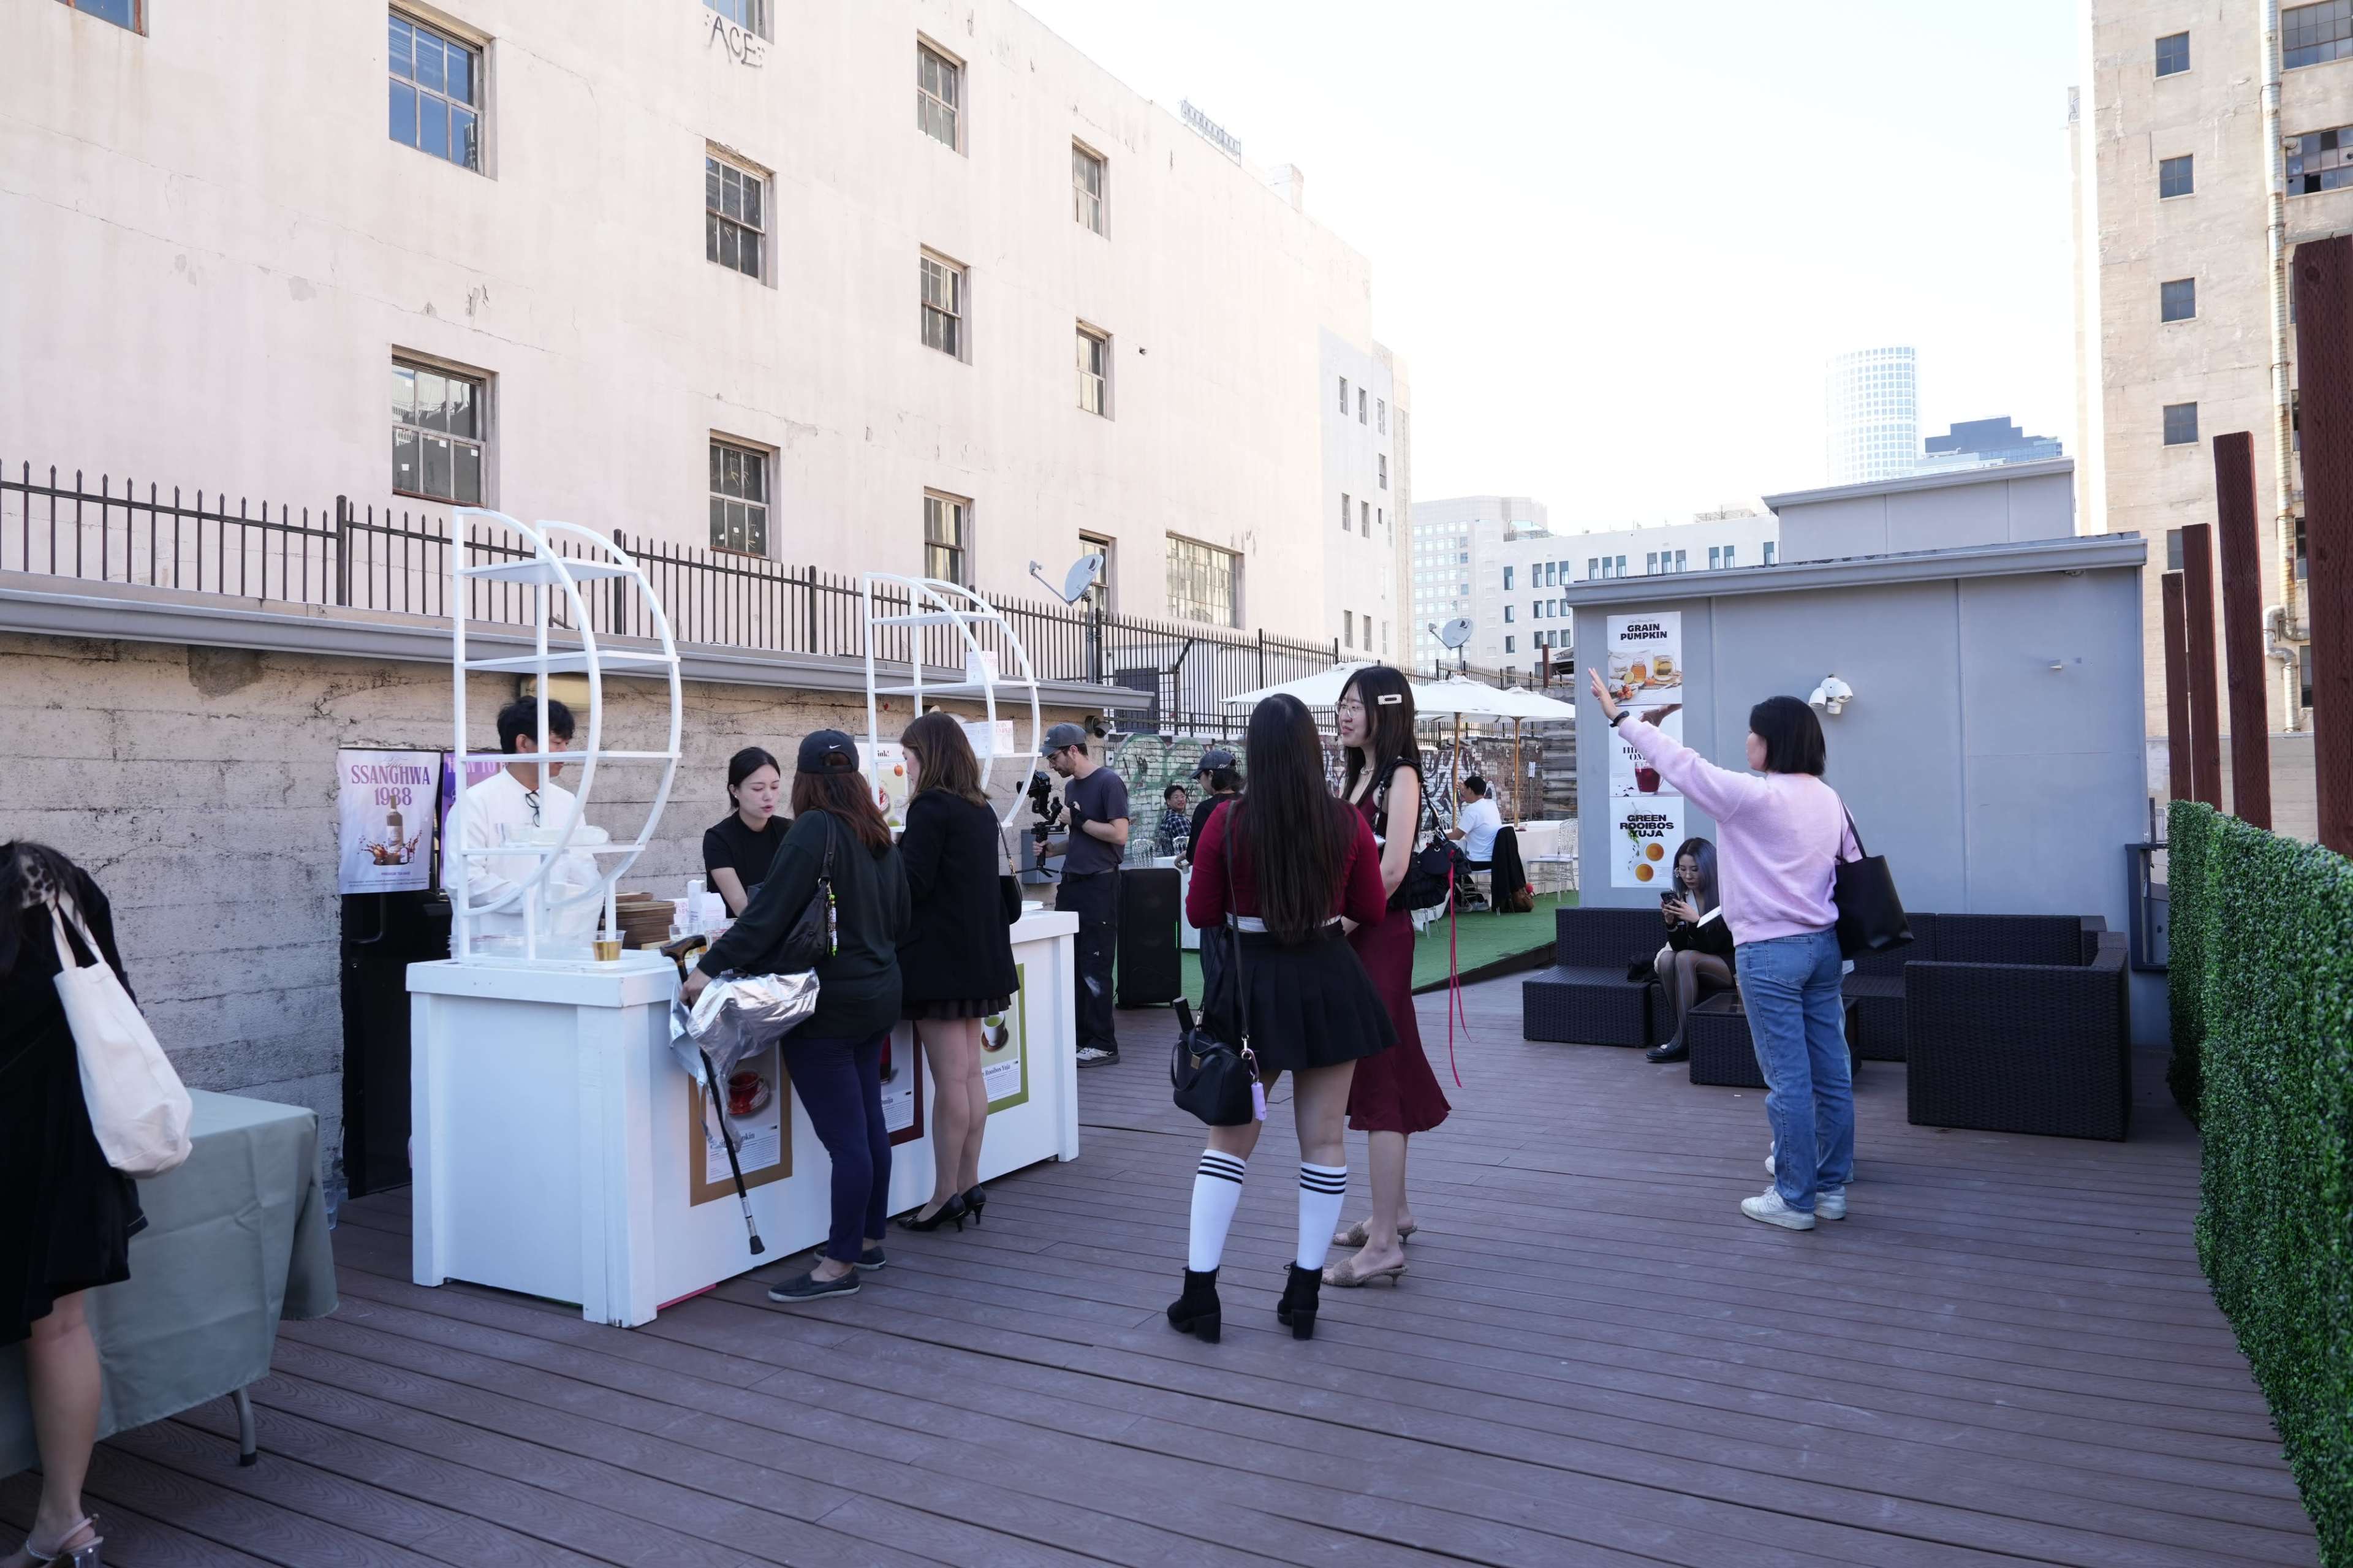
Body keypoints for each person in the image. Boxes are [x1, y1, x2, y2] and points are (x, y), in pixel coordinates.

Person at [1593, 671, 1859, 1230]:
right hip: (1825, 948)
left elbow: (1684, 765)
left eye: (1752, 733)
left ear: (1773, 742)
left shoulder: (1751, 797)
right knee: (1831, 1073)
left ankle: (1793, 1197)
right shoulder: (1829, 798)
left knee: (1788, 1080)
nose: (1746, 742)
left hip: (1769, 953)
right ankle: (1830, 1188)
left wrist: (1623, 718)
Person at [1172, 694, 1395, 1345]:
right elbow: (1372, 909)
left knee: (1227, 1144)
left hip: (1252, 988)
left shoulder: (1226, 822)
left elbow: (1202, 911)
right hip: (1329, 977)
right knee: (1325, 1143)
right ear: (1313, 750)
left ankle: (1201, 1296)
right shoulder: (1345, 822)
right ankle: (1303, 1296)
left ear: (1254, 752)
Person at [686, 731, 911, 1298]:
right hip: (879, 993)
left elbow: (764, 916)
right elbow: (902, 917)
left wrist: (707, 969)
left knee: (846, 1139)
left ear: (805, 781)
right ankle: (865, 1239)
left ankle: (838, 1265)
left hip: (829, 1005)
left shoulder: (814, 828)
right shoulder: (877, 829)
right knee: (867, 1123)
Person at [2, 843, 135, 1568]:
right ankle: (64, 1519)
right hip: (77, 1130)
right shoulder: (49, 874)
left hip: (19, 1134)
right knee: (60, 1329)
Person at [1324, 667, 1451, 1289]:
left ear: (1386, 710)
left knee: (1379, 1081)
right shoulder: (1361, 776)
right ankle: (1391, 1214)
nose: (1344, 714)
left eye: (1356, 704)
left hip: (1376, 937)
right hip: (1362, 938)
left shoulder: (1399, 775)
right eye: (1342, 703)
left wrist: (1338, 925)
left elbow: (1394, 868)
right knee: (1384, 1071)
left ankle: (1380, 1245)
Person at [893, 711, 1018, 1234]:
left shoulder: (929, 808)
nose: (906, 766)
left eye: (908, 756)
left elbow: (913, 885)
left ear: (928, 755)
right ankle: (968, 1181)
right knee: (970, 1074)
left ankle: (944, 1193)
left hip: (938, 961)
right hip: (979, 957)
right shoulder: (978, 808)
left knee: (951, 1080)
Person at [447, 697, 594, 948]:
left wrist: (573, 905)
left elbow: (583, 870)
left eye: (566, 744)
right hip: (491, 948)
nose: (565, 753)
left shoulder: (567, 802)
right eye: (557, 743)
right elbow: (464, 881)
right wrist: (538, 899)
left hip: (559, 945)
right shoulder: (476, 801)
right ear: (524, 743)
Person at [1040, 722, 1128, 1067]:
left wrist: (1076, 821)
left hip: (1099, 885)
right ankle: (1078, 1038)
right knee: (1071, 964)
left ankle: (1104, 1044)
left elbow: (1119, 834)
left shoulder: (1109, 782)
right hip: (1073, 883)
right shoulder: (1072, 788)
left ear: (1073, 750)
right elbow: (1084, 837)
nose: (1051, 764)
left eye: (1054, 756)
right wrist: (1054, 847)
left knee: (1095, 964)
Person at [1643, 837, 1735, 1064]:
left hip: (1730, 963)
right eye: (1682, 870)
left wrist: (1697, 921)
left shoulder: (1727, 894)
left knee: (1685, 958)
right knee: (1666, 960)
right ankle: (1685, 1035)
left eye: (1695, 869)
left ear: (1709, 867)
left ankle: (1682, 1040)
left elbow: (1719, 945)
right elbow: (1681, 947)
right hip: (1700, 959)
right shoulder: (1686, 898)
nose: (1688, 876)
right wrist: (1672, 924)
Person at [1180, 747, 1242, 1009]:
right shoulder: (1248, 805)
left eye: (1200, 778)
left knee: (1215, 965)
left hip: (1215, 897)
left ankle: (1216, 1019)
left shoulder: (1206, 810)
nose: (1200, 783)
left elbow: (1197, 854)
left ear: (1210, 775)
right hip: (1245, 899)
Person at [704, 746, 786, 917]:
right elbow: (743, 908)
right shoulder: (718, 839)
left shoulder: (789, 831)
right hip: (740, 935)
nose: (768, 796)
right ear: (734, 791)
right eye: (758, 789)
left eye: (775, 787)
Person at [1153, 783, 1192, 858]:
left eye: (1182, 796)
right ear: (1168, 802)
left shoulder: (1166, 819)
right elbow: (1190, 848)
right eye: (1176, 797)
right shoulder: (1179, 820)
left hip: (1171, 863)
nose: (1181, 800)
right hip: (1183, 864)